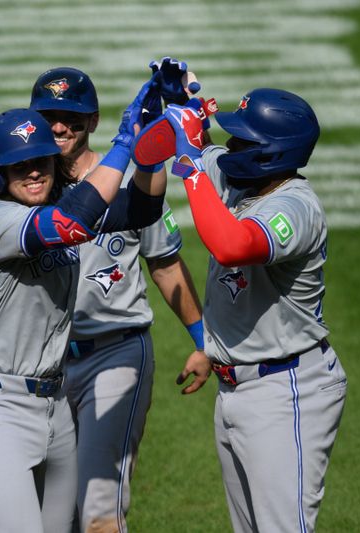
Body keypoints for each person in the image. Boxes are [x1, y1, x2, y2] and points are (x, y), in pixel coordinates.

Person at [0, 65, 207, 533]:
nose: (33, 172)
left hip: (55, 401)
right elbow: (71, 226)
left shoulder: (59, 196)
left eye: (40, 162)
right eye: (19, 166)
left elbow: (141, 210)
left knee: (84, 521)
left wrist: (147, 152)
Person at [143, 87, 348, 532]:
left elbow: (233, 245)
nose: (230, 147)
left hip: (286, 391)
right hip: (237, 388)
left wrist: (191, 169)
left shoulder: (294, 208)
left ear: (270, 154)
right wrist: (179, 99)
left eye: (242, 141)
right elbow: (194, 145)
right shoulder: (245, 180)